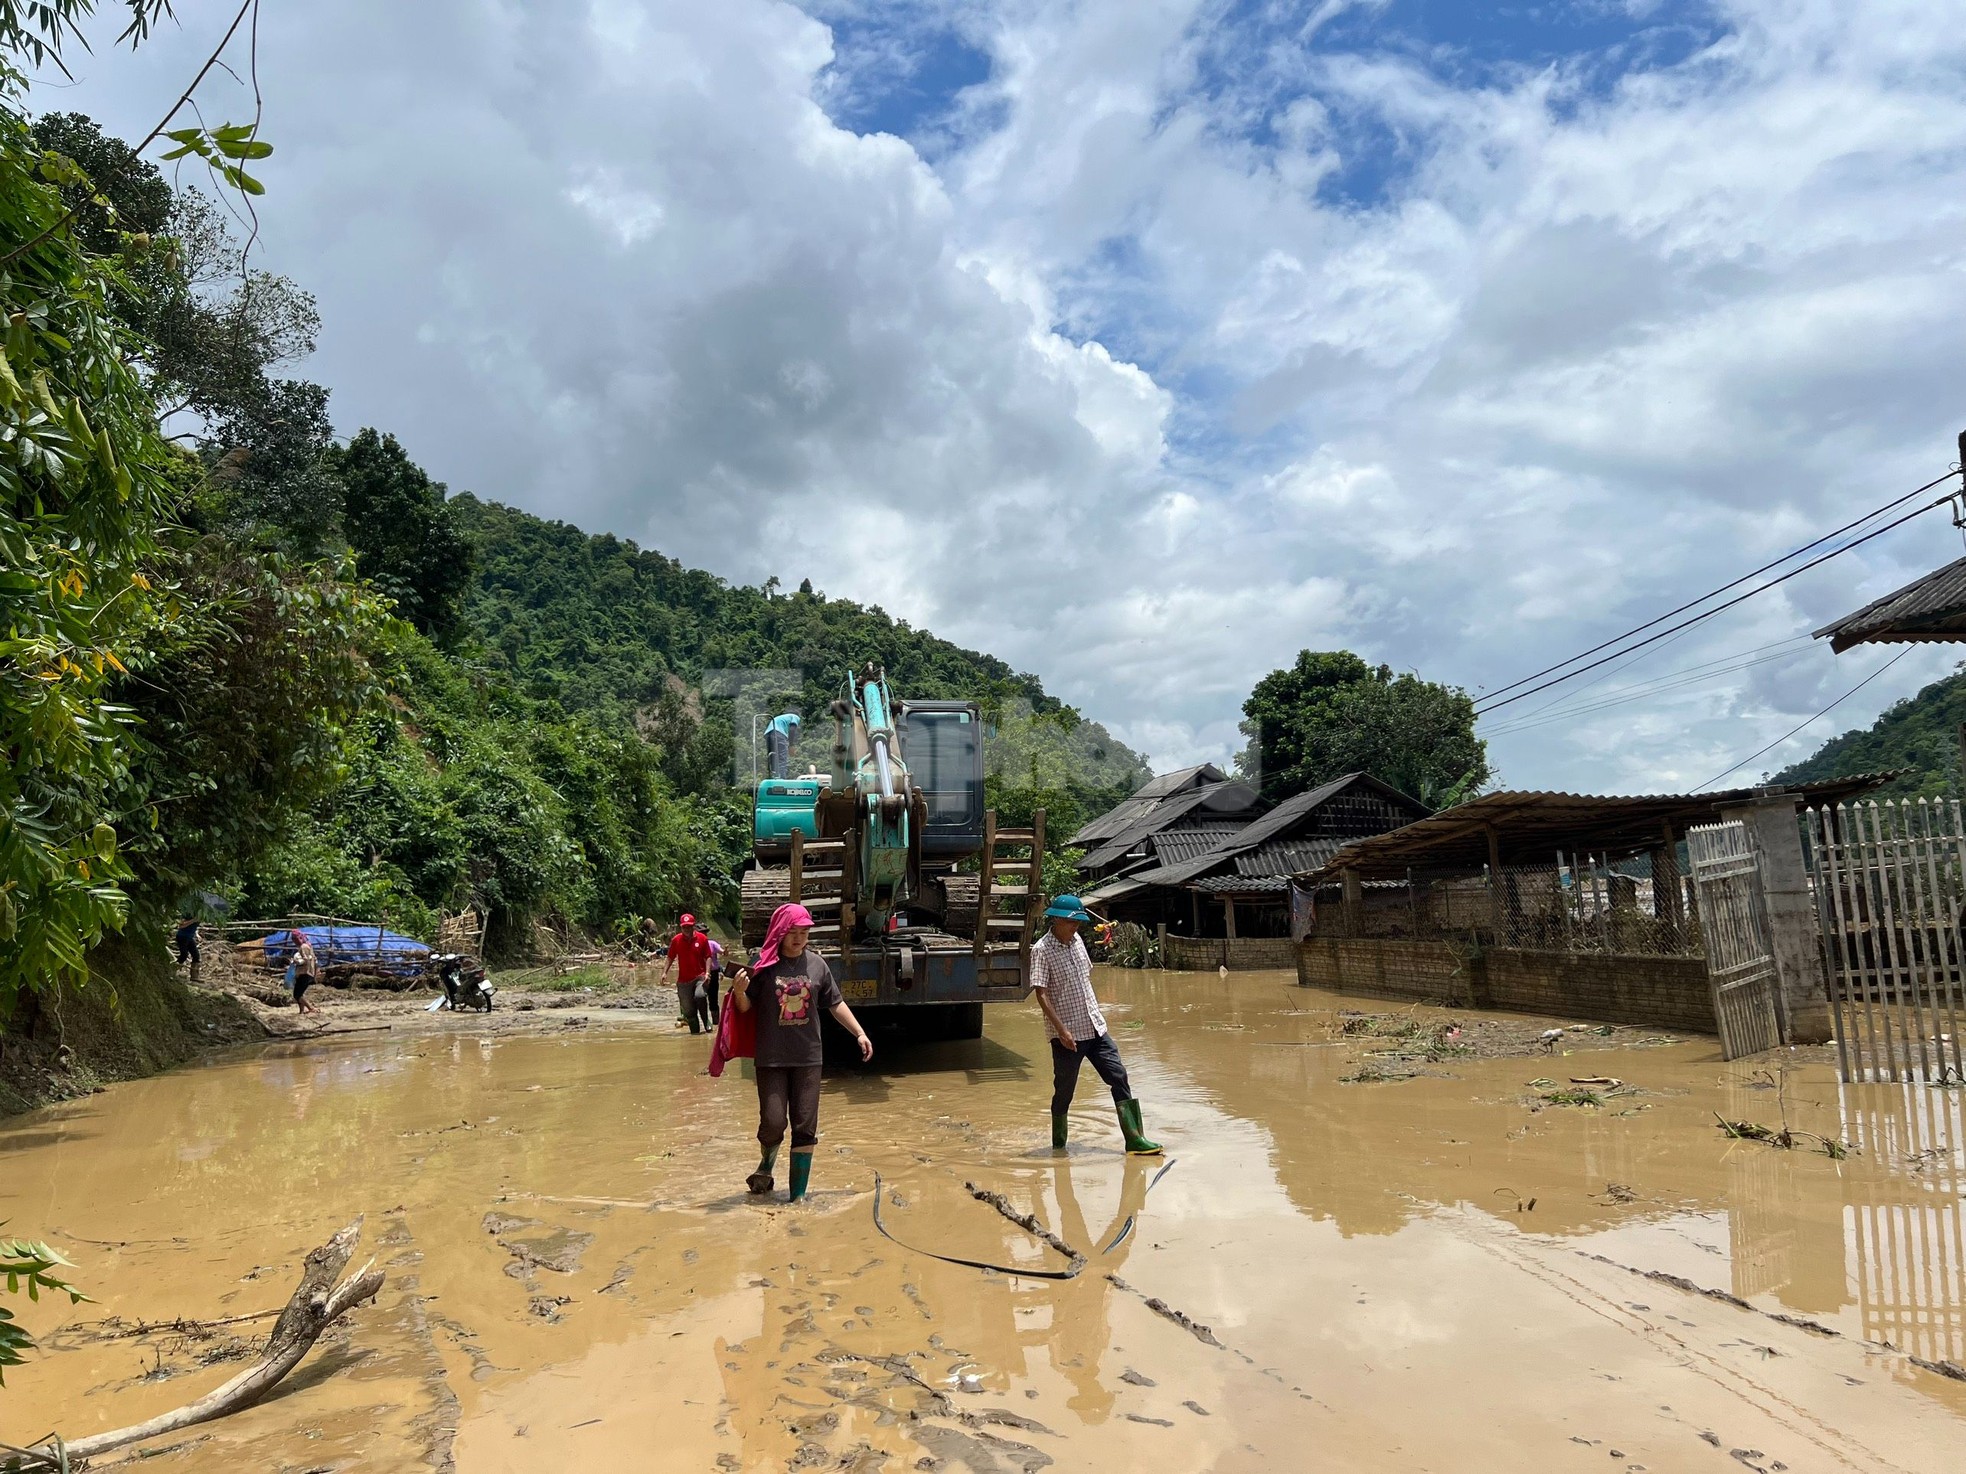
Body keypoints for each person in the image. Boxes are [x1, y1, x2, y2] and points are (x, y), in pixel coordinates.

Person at [728, 902, 873, 1202]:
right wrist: (740, 991)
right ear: (780, 933)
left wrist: (859, 1033)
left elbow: (835, 1003)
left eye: (804, 932)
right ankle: (767, 1164)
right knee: (773, 1122)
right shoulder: (763, 966)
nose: (798, 938)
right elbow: (744, 1009)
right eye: (792, 932)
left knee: (805, 1126)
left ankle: (797, 1199)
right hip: (771, 1058)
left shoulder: (818, 965)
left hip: (809, 1058)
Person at [1031, 894, 1161, 1155]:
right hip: (1067, 1034)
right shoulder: (1042, 950)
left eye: (1078, 923)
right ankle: (1059, 1144)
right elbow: (1041, 993)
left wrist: (1098, 1013)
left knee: (1118, 1076)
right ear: (1056, 920)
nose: (1076, 927)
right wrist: (1061, 1030)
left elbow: (1085, 980)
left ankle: (1134, 1139)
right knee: (1064, 1091)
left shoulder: (1078, 941)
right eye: (1071, 923)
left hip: (1095, 1027)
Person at [661, 912, 714, 1034]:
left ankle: (706, 1020)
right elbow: (670, 957)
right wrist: (664, 973)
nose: (687, 929)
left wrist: (707, 973)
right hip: (683, 980)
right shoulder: (676, 940)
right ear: (681, 927)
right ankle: (695, 1033)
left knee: (700, 996)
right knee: (688, 1010)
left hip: (699, 976)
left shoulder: (702, 939)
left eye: (689, 927)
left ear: (693, 926)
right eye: (684, 927)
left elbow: (708, 957)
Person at [291, 930, 323, 1017]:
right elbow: (314, 959)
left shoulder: (303, 947)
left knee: (297, 994)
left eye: (295, 939)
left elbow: (306, 960)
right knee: (299, 993)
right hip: (307, 972)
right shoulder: (308, 945)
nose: (294, 941)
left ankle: (310, 1008)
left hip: (305, 972)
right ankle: (301, 1011)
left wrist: (296, 962)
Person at [703, 929, 724, 1027]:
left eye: (704, 933)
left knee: (713, 998)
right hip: (700, 973)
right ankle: (705, 1021)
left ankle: (716, 1023)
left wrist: (725, 951)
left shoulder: (712, 944)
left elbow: (722, 952)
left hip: (713, 973)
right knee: (701, 997)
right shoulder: (694, 944)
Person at [173, 913, 202, 978]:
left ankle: (194, 977)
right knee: (184, 955)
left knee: (196, 955)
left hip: (189, 937)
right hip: (182, 936)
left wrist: (197, 934)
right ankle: (172, 969)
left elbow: (195, 927)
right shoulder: (188, 913)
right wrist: (193, 920)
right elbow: (181, 925)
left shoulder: (201, 914)